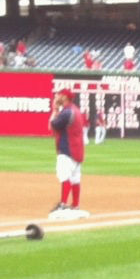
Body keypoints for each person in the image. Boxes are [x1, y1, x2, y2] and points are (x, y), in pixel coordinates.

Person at [48, 89, 88, 218]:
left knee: (65, 177)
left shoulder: (66, 112)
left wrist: (54, 109)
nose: (57, 96)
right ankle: (75, 205)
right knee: (75, 178)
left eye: (59, 94)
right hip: (77, 149)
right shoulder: (76, 110)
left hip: (67, 149)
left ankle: (63, 204)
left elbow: (51, 125)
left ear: (65, 97)